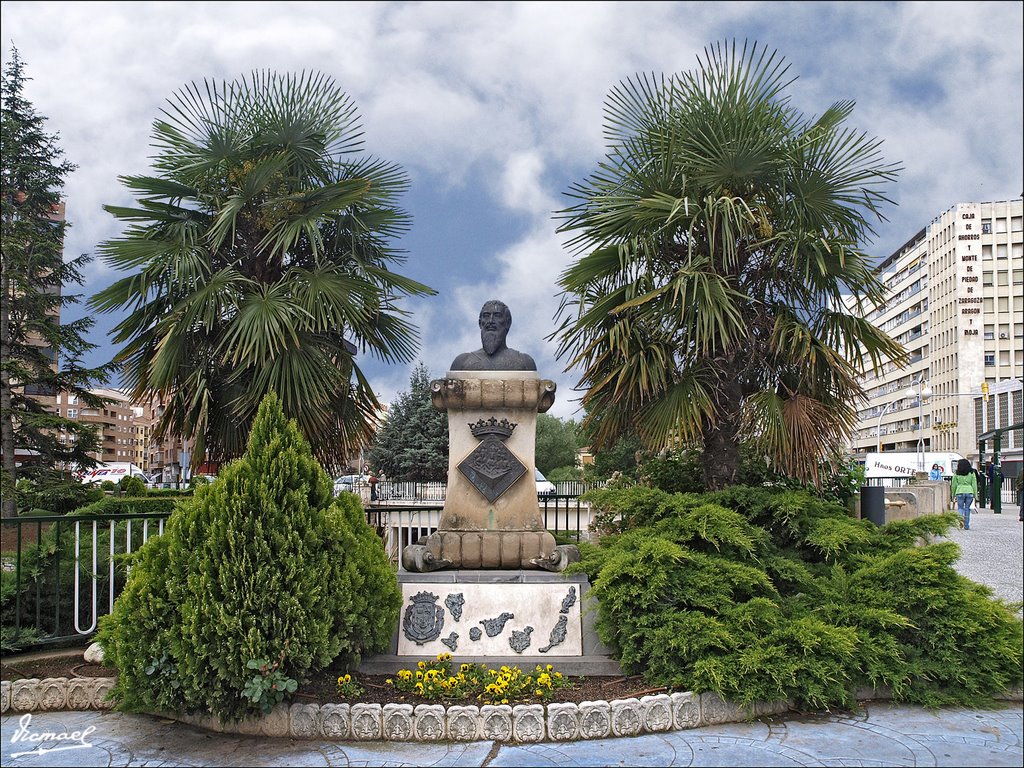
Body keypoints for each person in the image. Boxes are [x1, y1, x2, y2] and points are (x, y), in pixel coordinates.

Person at [450, 300, 537, 371]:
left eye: (497, 316)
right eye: (486, 316)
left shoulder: (524, 362)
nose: (491, 321)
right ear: (480, 323)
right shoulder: (462, 362)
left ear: (507, 322)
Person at [950, 457, 978, 530]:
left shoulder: (956, 473)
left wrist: (953, 495)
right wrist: (975, 495)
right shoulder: (972, 473)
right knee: (967, 508)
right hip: (969, 491)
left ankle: (960, 522)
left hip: (959, 491)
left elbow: (954, 485)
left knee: (960, 508)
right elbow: (974, 484)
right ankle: (966, 525)